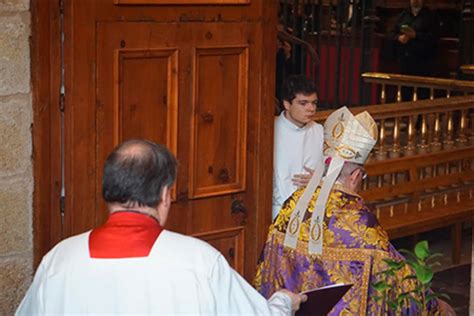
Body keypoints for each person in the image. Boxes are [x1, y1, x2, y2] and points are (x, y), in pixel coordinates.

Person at [17, 140, 306, 315]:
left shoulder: (60, 259)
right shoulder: (199, 261)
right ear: (166, 194)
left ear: (107, 191)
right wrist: (282, 302)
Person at [256, 107, 447, 314]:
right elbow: (394, 273)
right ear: (356, 176)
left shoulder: (292, 204)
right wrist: (434, 305)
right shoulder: (358, 218)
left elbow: (268, 265)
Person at [273, 75, 324, 220]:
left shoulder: (319, 131)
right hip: (277, 212)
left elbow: (335, 172)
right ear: (287, 104)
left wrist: (319, 181)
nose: (311, 109)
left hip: (312, 212)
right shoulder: (270, 130)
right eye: (303, 103)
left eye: (314, 103)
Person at [391, 0, 438, 100]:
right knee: (405, 91)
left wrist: (416, 35)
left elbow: (434, 38)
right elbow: (391, 34)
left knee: (421, 92)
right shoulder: (403, 14)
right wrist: (399, 38)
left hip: (422, 61)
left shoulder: (430, 16)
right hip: (405, 59)